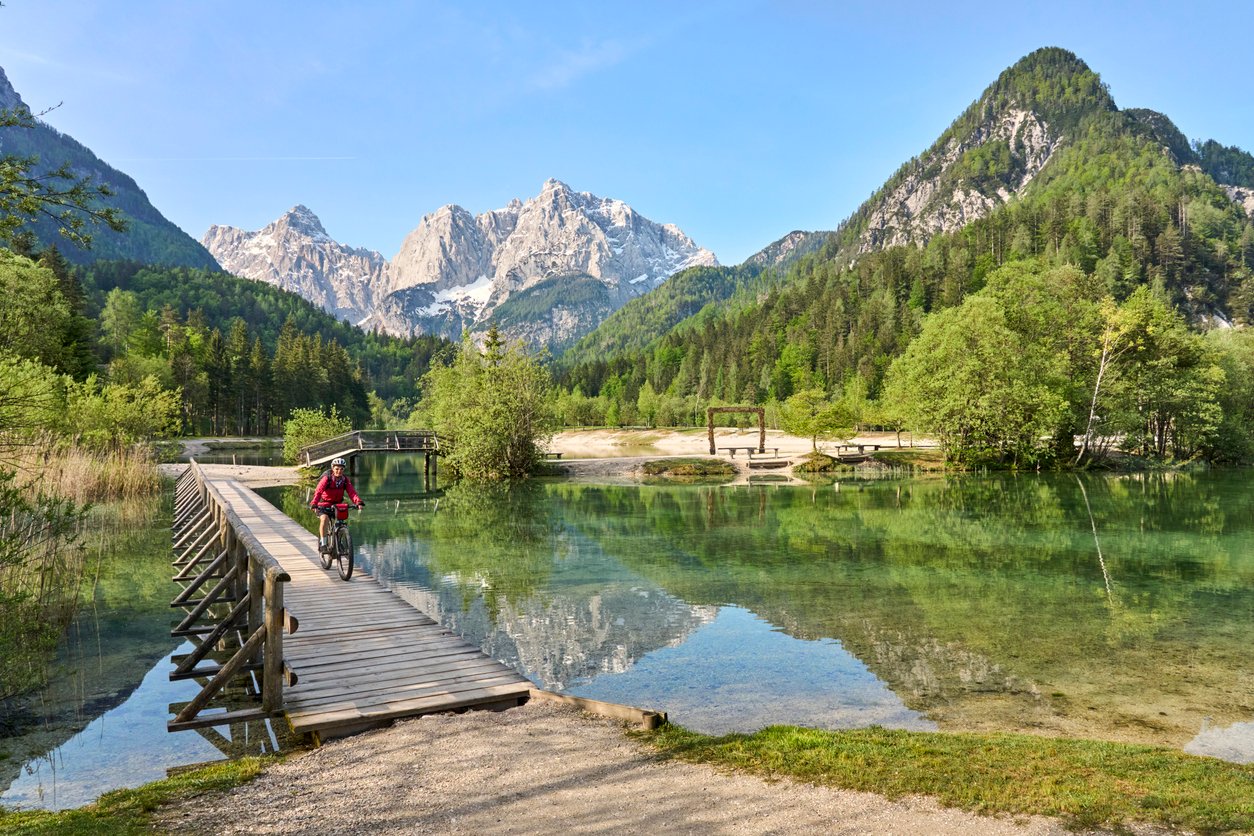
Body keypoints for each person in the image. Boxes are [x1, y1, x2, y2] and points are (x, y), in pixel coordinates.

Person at [309, 457, 363, 551]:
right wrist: (314, 503)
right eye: (337, 468)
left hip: (337, 505)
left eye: (341, 469)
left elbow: (352, 492)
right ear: (333, 468)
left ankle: (339, 540)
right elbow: (318, 491)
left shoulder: (345, 480)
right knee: (324, 519)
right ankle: (323, 543)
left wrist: (358, 502)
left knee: (341, 522)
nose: (339, 471)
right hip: (323, 505)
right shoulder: (327, 478)